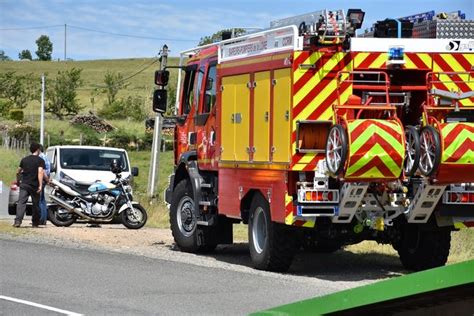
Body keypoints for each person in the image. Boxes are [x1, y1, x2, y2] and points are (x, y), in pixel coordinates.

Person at [13, 142, 45, 228]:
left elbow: (18, 171)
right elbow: (40, 172)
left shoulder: (24, 159)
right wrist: (40, 185)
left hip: (24, 184)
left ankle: (18, 221)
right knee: (36, 204)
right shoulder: (40, 160)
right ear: (38, 150)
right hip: (34, 185)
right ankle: (35, 223)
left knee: (21, 203)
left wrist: (18, 181)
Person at [38, 144, 51, 225]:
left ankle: (40, 219)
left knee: (39, 200)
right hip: (45, 179)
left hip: (41, 179)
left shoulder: (41, 157)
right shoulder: (45, 157)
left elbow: (41, 170)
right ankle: (43, 219)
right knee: (42, 200)